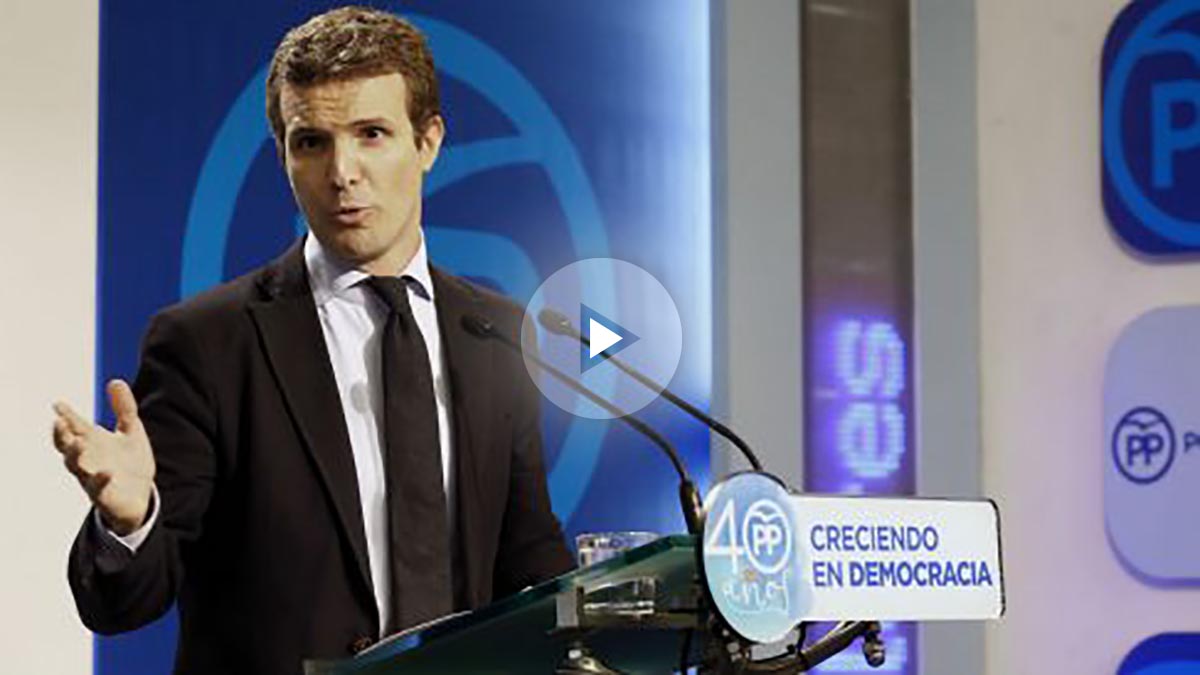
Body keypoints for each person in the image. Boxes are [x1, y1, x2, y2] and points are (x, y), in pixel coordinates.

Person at [51, 6, 573, 673]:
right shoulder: (207, 342)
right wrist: (130, 519)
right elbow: (125, 601)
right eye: (312, 142)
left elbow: (527, 558)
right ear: (284, 155)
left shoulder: (494, 330)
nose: (342, 172)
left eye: (372, 134)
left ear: (429, 142)